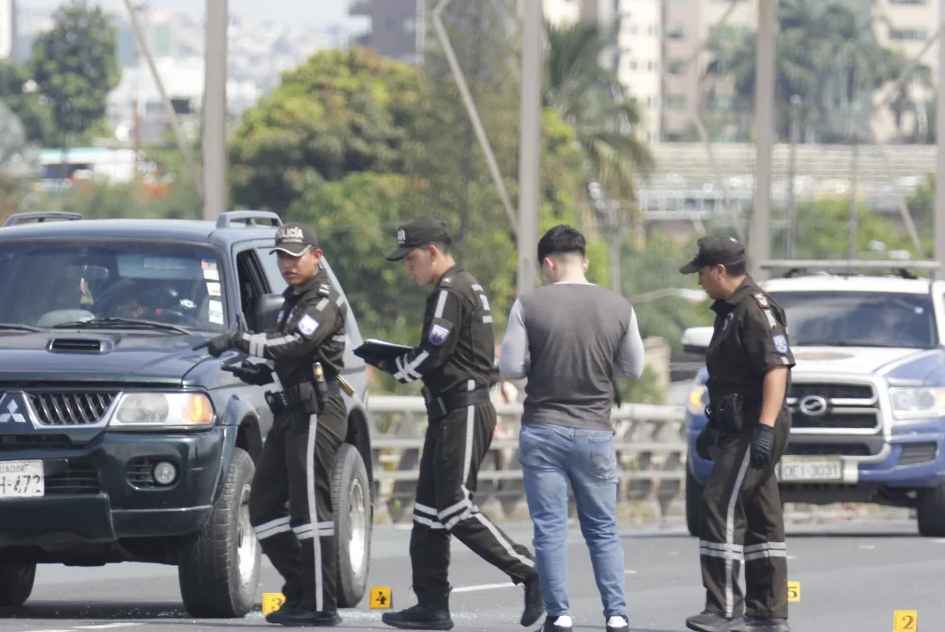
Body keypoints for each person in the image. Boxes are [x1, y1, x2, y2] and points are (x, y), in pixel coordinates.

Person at [362, 216, 544, 631]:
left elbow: (433, 353)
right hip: (450, 411)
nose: (408, 268)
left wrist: (395, 366)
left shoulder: (449, 290)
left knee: (455, 507)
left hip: (463, 408)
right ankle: (432, 605)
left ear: (432, 252)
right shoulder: (464, 285)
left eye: (410, 259)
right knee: (427, 515)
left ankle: (531, 573)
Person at [196, 222, 348, 627]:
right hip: (290, 409)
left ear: (316, 256)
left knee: (311, 510)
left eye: (295, 256)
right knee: (263, 506)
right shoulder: (291, 298)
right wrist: (257, 370)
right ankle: (300, 590)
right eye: (281, 256)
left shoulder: (323, 300)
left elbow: (298, 342)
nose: (287, 264)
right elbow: (285, 352)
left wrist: (239, 340)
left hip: (317, 409)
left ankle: (320, 605)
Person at [497, 225, 643, 632]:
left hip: (543, 429)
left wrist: (538, 364)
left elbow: (511, 368)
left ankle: (559, 615)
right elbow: (634, 368)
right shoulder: (619, 306)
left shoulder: (529, 305)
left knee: (549, 528)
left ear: (548, 263)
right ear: (585, 260)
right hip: (596, 432)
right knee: (602, 528)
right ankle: (616, 614)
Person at [679, 236, 794, 632]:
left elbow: (777, 369)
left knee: (719, 504)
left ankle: (724, 608)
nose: (699, 282)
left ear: (720, 271)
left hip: (754, 422)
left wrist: (763, 428)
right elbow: (731, 375)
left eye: (702, 273)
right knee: (762, 519)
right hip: (737, 421)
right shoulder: (730, 309)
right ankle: (768, 612)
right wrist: (712, 425)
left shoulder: (753, 309)